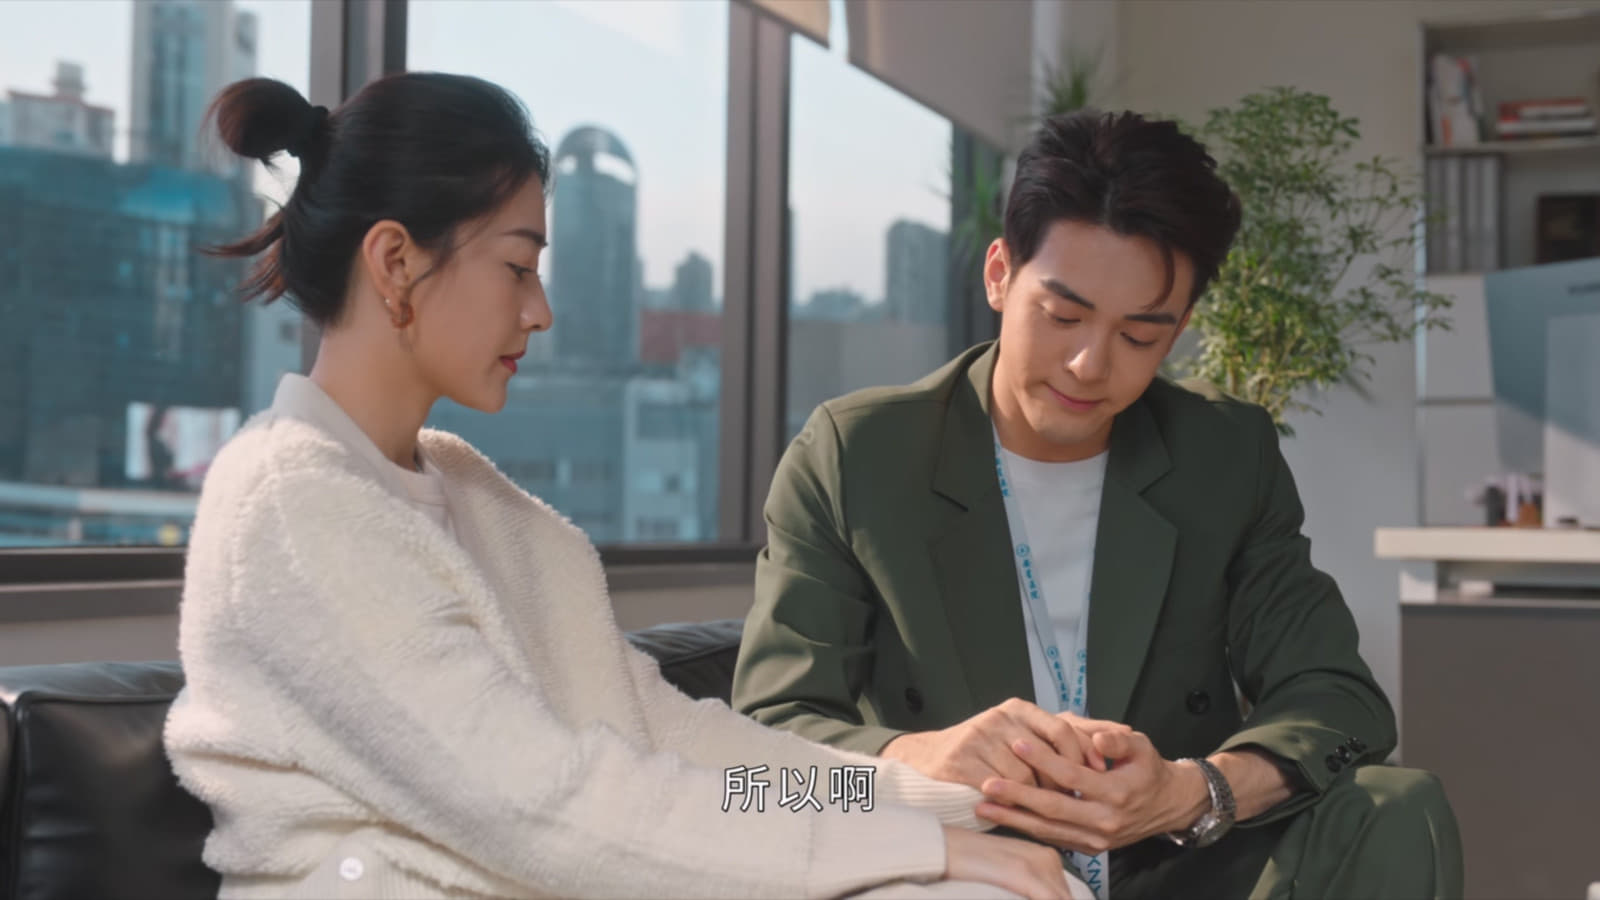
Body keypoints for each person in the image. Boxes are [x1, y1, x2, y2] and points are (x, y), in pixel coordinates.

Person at [162, 73, 1092, 900]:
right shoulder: (293, 500)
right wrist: (918, 849)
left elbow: (678, 744)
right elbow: (539, 806)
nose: (540, 310)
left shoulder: (478, 501)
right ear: (395, 260)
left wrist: (936, 798)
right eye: (517, 267)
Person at [731, 109, 1463, 900]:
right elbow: (756, 764)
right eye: (1063, 316)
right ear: (1000, 274)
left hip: (1176, 864)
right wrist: (915, 760)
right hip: (966, 870)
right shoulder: (860, 456)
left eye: (1139, 336)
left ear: (1178, 330)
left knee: (1399, 807)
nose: (1088, 364)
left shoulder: (1223, 454)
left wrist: (1194, 790)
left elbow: (1340, 700)